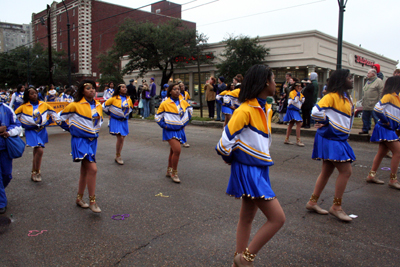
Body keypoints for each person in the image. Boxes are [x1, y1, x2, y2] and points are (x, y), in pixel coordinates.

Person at [216, 65, 285, 267]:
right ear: (265, 82)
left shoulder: (265, 108)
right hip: (250, 170)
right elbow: (223, 144)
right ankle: (246, 259)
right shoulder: (245, 110)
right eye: (274, 79)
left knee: (247, 217)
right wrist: (236, 160)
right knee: (278, 219)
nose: (276, 83)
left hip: (260, 167)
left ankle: (238, 261)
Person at [306, 69, 355, 222]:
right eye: (349, 77)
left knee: (327, 170)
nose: (352, 80)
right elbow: (315, 112)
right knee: (346, 171)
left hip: (337, 137)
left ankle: (312, 202)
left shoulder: (346, 97)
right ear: (341, 80)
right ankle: (336, 207)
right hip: (331, 138)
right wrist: (327, 122)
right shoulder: (331, 96)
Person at [59, 80, 103, 213]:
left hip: (92, 140)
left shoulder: (98, 105)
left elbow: (97, 123)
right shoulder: (74, 105)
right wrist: (72, 129)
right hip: (80, 141)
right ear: (82, 91)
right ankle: (92, 201)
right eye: (88, 88)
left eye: (93, 88)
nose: (92, 90)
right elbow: (59, 118)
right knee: (93, 169)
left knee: (85, 170)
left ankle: (79, 198)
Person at [15, 87, 60, 182]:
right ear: (27, 96)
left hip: (41, 130)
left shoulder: (43, 104)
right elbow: (14, 118)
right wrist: (21, 125)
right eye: (31, 94)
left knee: (37, 150)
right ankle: (36, 171)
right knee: (39, 150)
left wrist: (50, 121)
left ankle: (33, 171)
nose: (34, 95)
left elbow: (54, 114)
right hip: (31, 130)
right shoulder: (23, 107)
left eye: (35, 93)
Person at [366, 76, 400, 189]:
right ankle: (393, 179)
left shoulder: (397, 96)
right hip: (385, 128)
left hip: (389, 129)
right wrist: (386, 121)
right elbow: (377, 109)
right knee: (398, 152)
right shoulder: (388, 96)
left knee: (381, 153)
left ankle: (371, 175)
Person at [155, 83, 193, 183]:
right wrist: (165, 125)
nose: (177, 91)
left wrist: (185, 122)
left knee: (172, 151)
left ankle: (169, 170)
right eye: (175, 89)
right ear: (170, 91)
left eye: (178, 89)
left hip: (180, 130)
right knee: (177, 150)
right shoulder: (165, 103)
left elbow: (190, 110)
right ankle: (174, 173)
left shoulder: (183, 101)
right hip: (169, 130)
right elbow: (157, 117)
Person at [103, 84, 134, 165]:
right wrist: (112, 113)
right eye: (122, 87)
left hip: (124, 120)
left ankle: (118, 154)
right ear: (119, 89)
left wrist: (126, 115)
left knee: (122, 138)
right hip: (116, 120)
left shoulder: (128, 99)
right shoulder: (113, 98)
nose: (125, 88)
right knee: (120, 137)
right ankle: (118, 156)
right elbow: (104, 106)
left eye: (125, 87)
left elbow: (130, 108)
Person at [0, 100, 22, 214]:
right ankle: (1, 203)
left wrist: (8, 132)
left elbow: (18, 125)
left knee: (7, 175)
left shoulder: (6, 108)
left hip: (4, 148)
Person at [359, 69, 384, 135]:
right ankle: (365, 129)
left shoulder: (379, 81)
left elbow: (381, 92)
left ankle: (378, 132)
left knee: (376, 119)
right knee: (365, 118)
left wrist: (379, 103)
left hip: (374, 104)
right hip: (366, 104)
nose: (367, 75)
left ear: (373, 74)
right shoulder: (367, 82)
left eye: (368, 73)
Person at [283, 78, 305, 146]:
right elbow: (295, 100)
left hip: (296, 110)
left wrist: (299, 94)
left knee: (291, 123)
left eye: (301, 86)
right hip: (292, 109)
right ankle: (298, 140)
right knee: (298, 124)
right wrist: (298, 94)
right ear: (295, 87)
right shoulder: (292, 93)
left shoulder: (300, 93)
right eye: (299, 86)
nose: (300, 87)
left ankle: (287, 139)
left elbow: (303, 100)